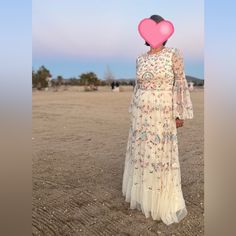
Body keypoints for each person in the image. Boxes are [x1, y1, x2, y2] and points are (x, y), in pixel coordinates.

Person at [122, 15, 194, 226]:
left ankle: (163, 201)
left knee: (160, 154)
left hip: (163, 112)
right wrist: (132, 110)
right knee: (142, 153)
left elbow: (180, 83)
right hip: (141, 113)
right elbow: (137, 87)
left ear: (165, 33)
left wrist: (179, 113)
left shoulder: (173, 54)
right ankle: (145, 197)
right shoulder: (140, 58)